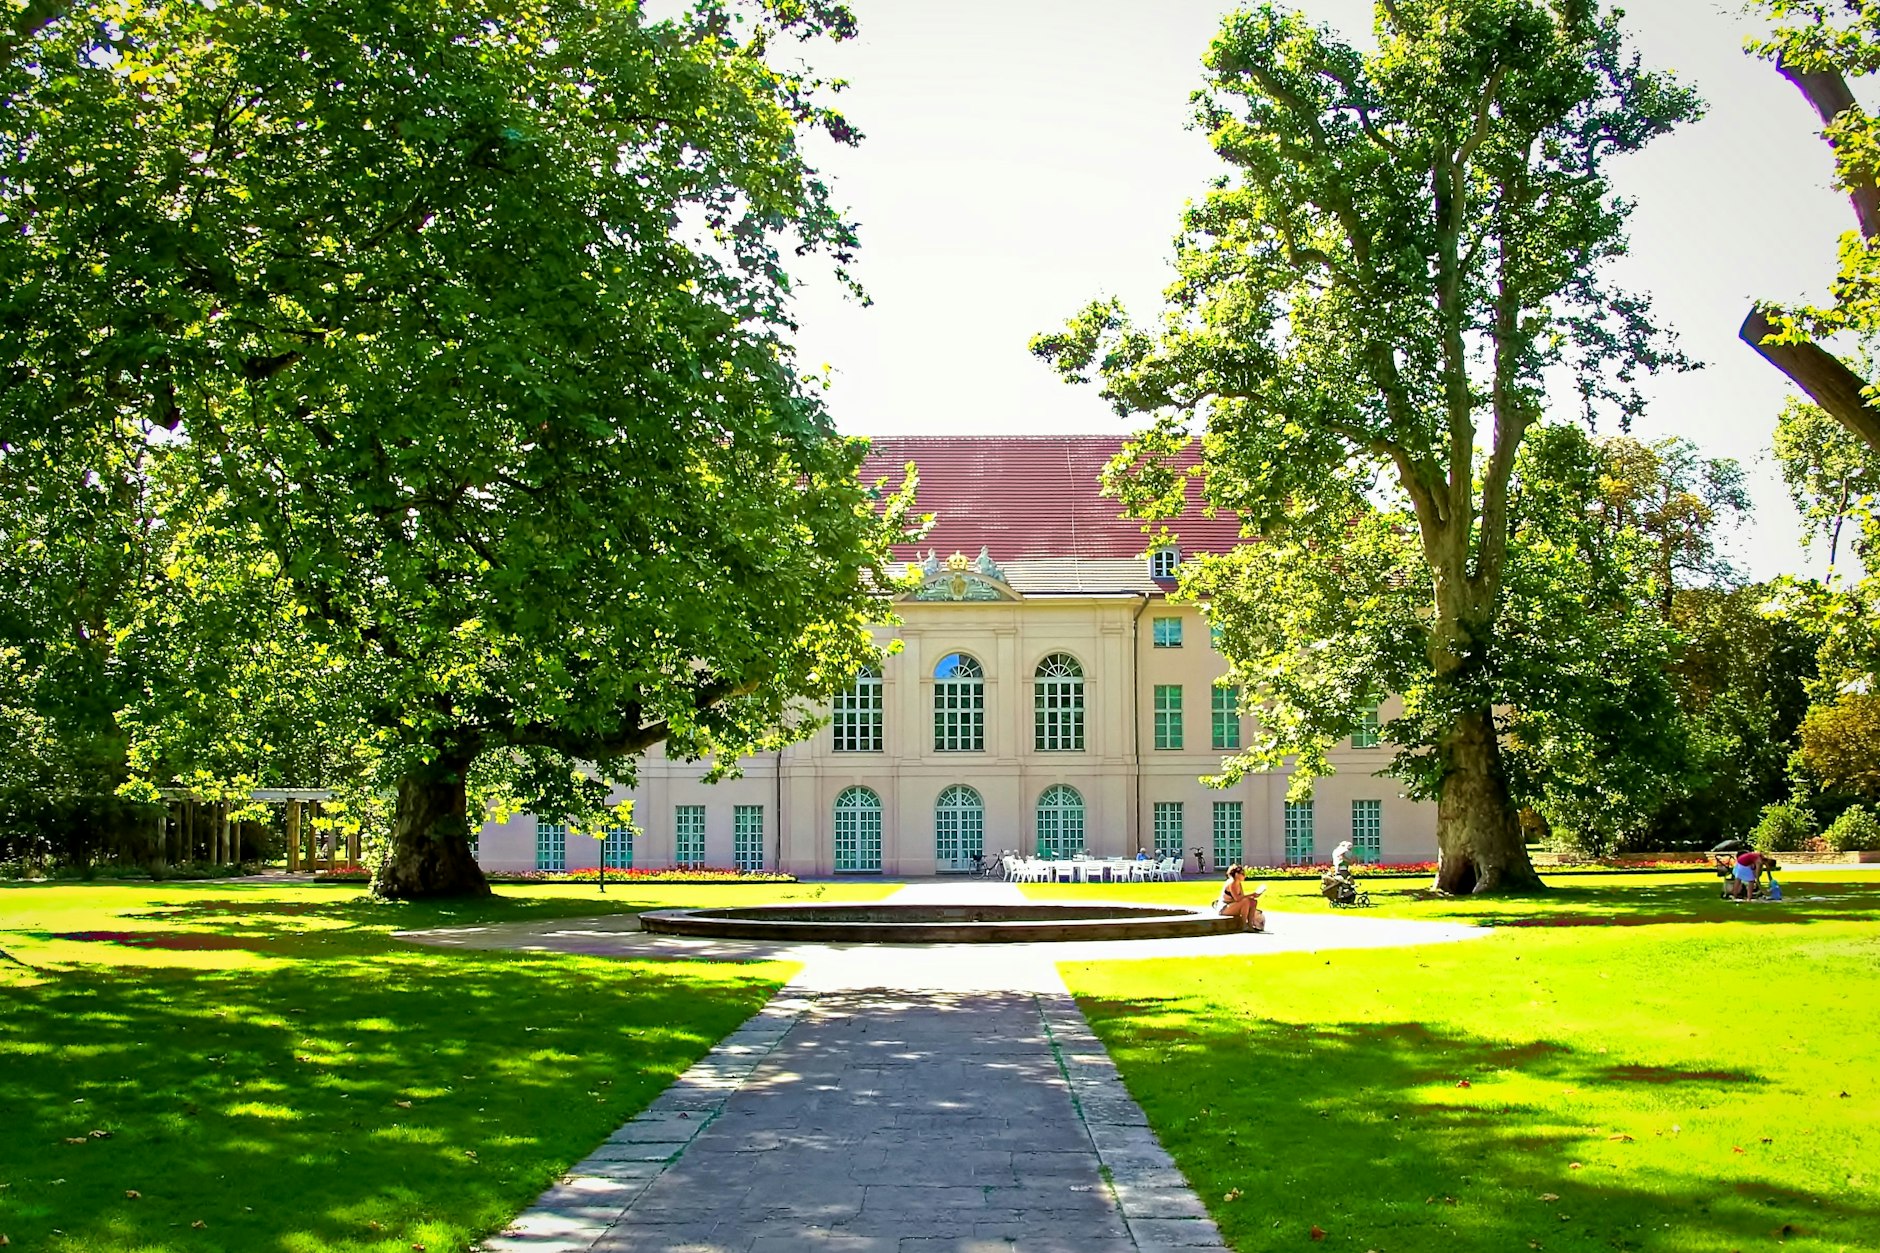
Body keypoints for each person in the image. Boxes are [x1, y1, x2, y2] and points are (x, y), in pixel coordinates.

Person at [1215, 864, 1265, 933]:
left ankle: (1250, 925)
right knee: (1245, 901)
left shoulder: (1238, 883)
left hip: (1233, 905)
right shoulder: (1232, 882)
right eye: (1242, 874)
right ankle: (1244, 925)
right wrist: (1251, 894)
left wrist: (1254, 896)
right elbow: (1237, 899)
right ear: (1236, 874)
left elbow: (1242, 897)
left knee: (1253, 902)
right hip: (1224, 908)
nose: (1244, 875)